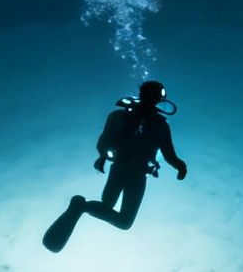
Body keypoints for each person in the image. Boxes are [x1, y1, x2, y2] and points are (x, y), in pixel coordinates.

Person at [42, 80, 187, 253]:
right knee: (123, 220)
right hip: (135, 174)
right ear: (159, 99)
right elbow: (169, 154)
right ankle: (81, 207)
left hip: (121, 169)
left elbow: (103, 142)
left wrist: (102, 157)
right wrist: (180, 166)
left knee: (109, 206)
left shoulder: (121, 116)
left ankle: (80, 206)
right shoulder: (156, 124)